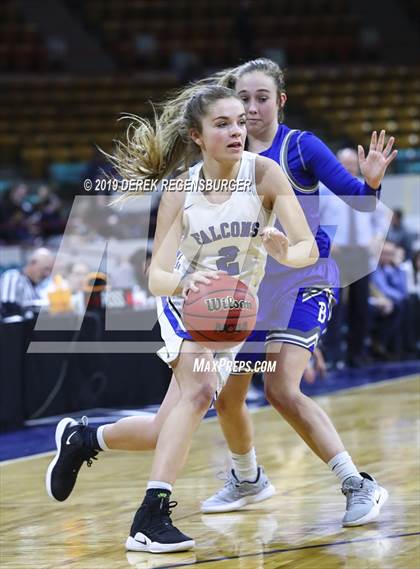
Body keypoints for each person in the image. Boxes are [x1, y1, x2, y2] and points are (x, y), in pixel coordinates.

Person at [45, 59, 396, 533]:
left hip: (295, 279)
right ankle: (204, 491)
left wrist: (368, 185)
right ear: (203, 130)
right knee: (214, 398)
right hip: (216, 294)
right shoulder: (196, 176)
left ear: (279, 101)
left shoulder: (289, 154)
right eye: (238, 105)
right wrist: (185, 281)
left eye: (258, 100)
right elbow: (159, 272)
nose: (248, 113)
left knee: (265, 391)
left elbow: (338, 217)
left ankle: (355, 483)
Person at [319, 147, 389, 367]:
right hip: (337, 252)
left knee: (361, 305)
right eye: (344, 163)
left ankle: (356, 355)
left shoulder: (367, 186)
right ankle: (332, 356)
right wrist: (327, 241)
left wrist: (377, 237)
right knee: (334, 306)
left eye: (352, 163)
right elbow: (313, 218)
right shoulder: (325, 187)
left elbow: (382, 215)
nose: (349, 167)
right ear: (337, 164)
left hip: (360, 252)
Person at [0, 248, 54, 319]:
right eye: (45, 269)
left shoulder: (37, 288)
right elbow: (7, 307)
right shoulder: (13, 277)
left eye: (50, 270)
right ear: (32, 263)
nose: (47, 274)